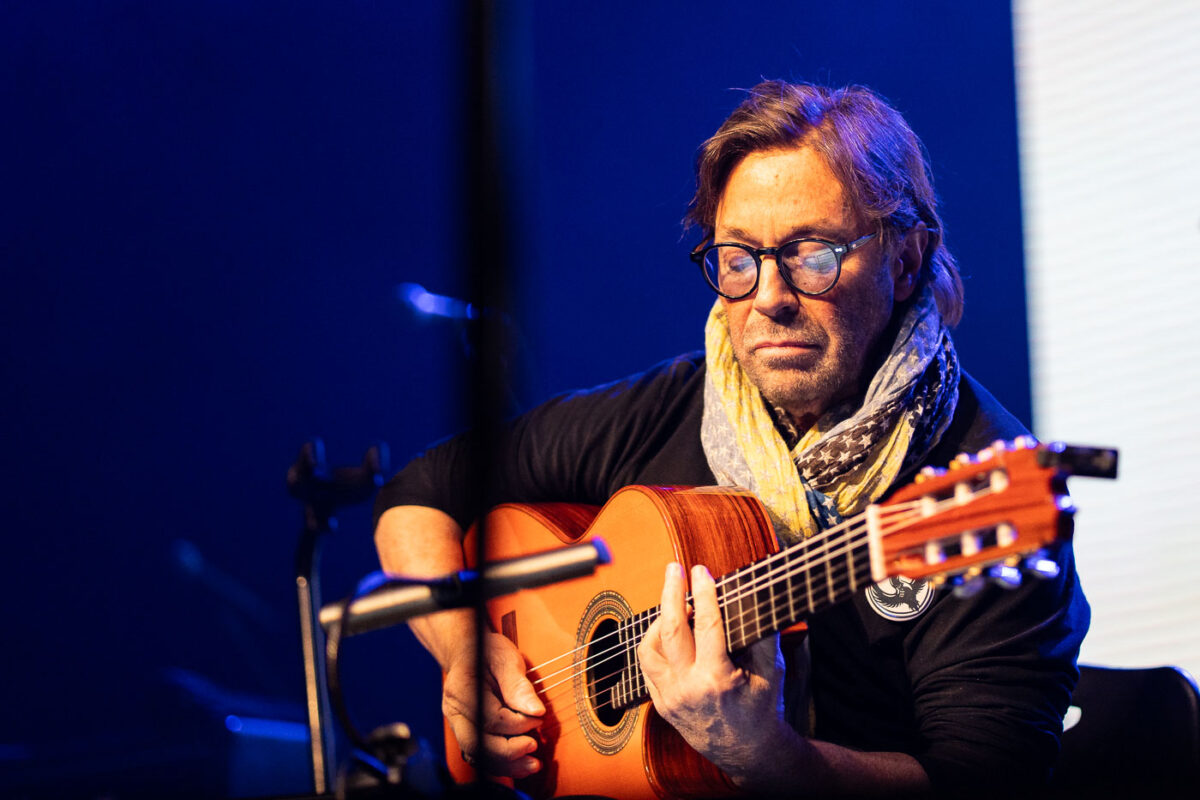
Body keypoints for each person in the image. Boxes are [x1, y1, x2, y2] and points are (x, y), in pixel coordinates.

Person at [373, 80, 1089, 796]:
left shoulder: (981, 483)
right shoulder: (670, 403)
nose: (770, 298)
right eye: (740, 259)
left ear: (905, 259)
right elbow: (421, 494)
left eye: (813, 253)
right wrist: (463, 649)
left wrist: (766, 756)